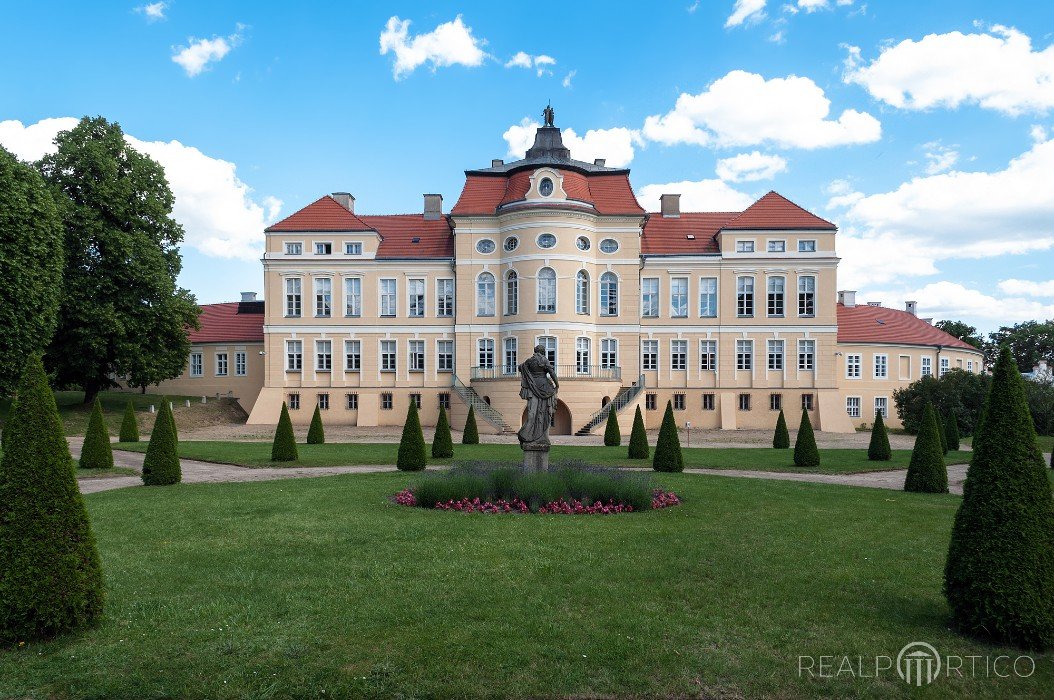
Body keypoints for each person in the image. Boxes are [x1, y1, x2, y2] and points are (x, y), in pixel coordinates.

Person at [517, 344, 559, 447]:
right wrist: (557, 384)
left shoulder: (529, 361)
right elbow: (552, 373)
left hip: (532, 387)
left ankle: (525, 434)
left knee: (532, 413)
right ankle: (542, 437)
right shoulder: (544, 360)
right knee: (545, 412)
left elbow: (520, 368)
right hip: (545, 387)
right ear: (543, 351)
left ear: (535, 351)